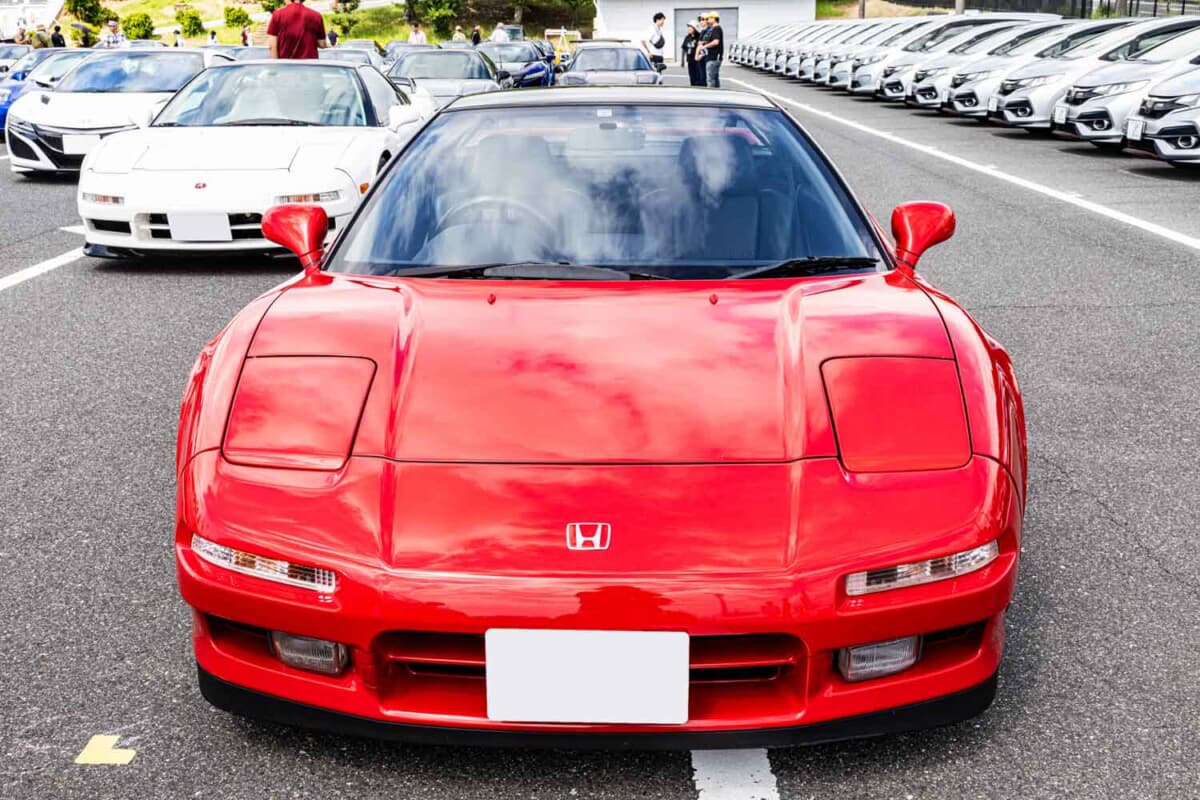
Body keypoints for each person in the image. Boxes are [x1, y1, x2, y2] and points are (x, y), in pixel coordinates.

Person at [697, 11, 723, 89]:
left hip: (713, 57)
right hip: (712, 57)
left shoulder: (716, 28)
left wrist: (704, 46)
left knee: (710, 80)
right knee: (715, 79)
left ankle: (711, 94)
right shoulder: (713, 29)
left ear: (714, 18)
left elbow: (716, 42)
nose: (707, 20)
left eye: (709, 18)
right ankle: (717, 93)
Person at [682, 20, 704, 87]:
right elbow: (684, 48)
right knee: (692, 77)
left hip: (698, 61)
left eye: (691, 27)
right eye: (688, 27)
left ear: (695, 28)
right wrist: (682, 61)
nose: (689, 28)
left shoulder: (699, 37)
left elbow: (702, 48)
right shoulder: (687, 37)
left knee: (699, 77)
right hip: (690, 61)